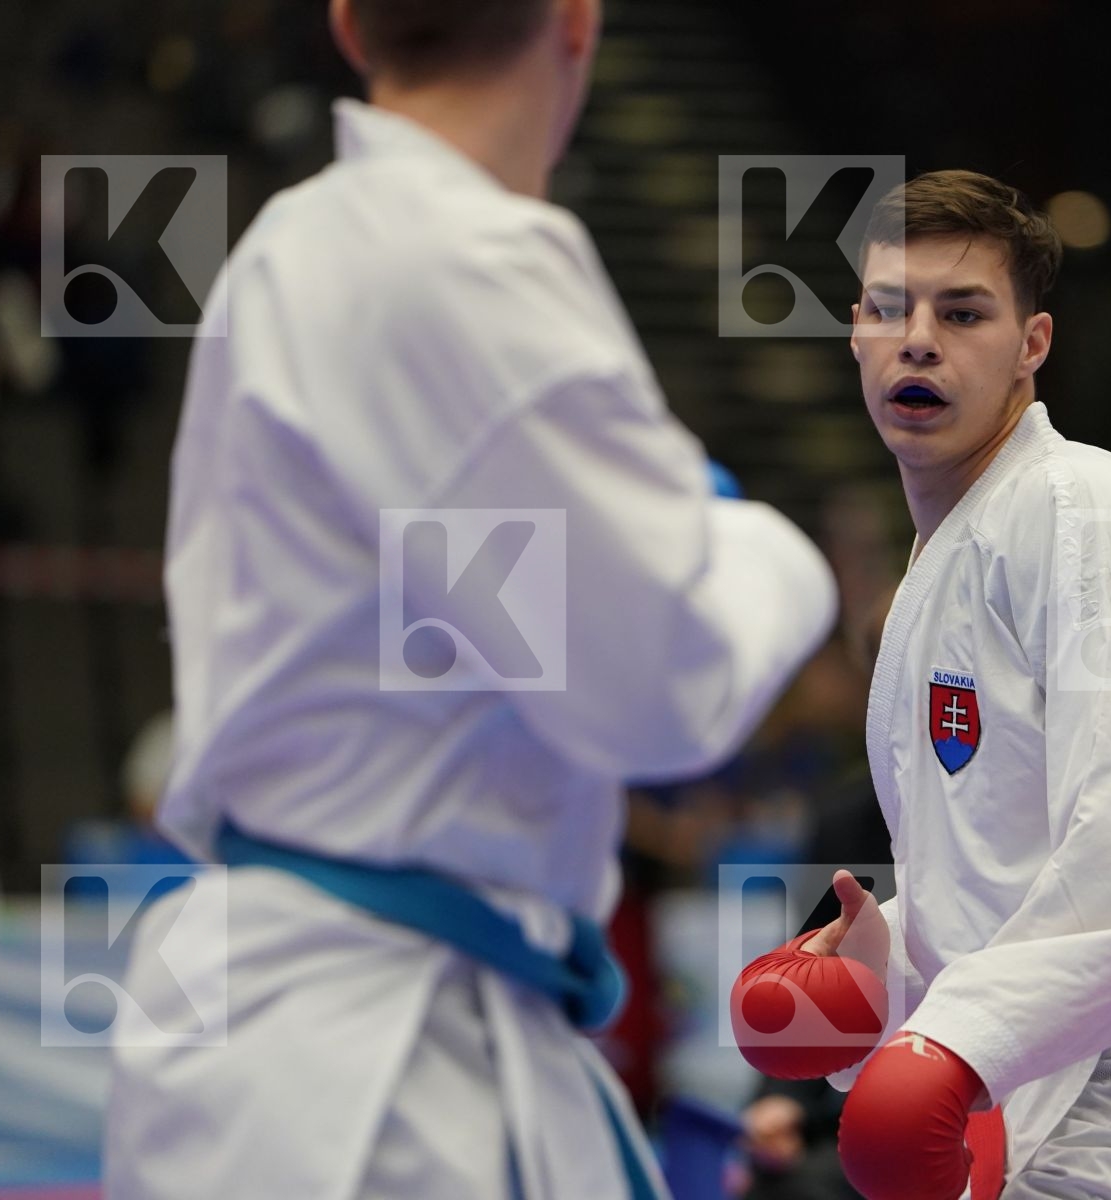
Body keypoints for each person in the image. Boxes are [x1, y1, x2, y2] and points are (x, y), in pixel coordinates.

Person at [102, 1, 837, 1196]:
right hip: (369, 1070)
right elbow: (664, 687)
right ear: (579, 21)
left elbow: (495, 621)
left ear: (346, 24)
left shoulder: (288, 247)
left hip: (300, 1016)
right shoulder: (468, 256)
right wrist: (757, 543)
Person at [732, 172, 1111, 1200]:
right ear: (854, 338)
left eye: (962, 314)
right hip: (1044, 1094)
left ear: (1032, 345)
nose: (919, 341)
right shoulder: (952, 554)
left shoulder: (1094, 514)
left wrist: (952, 1040)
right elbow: (1010, 870)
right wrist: (882, 965)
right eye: (887, 311)